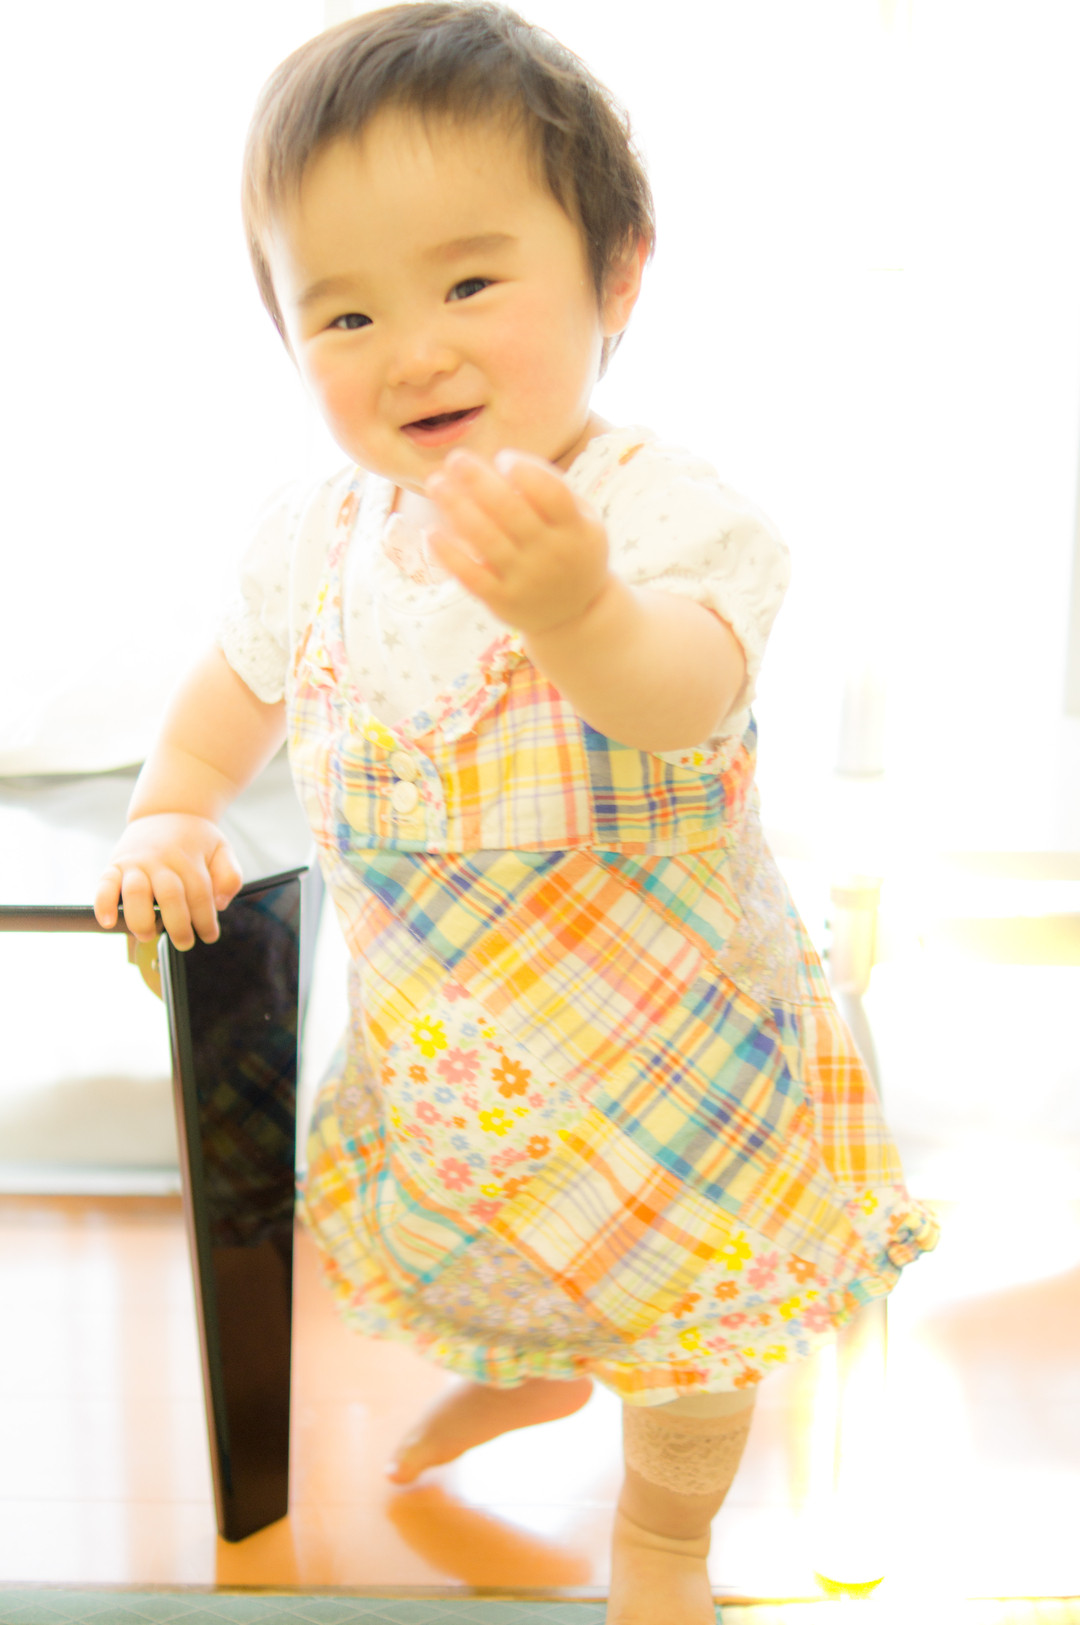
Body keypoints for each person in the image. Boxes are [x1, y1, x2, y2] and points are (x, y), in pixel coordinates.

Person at [94, 4, 938, 1617]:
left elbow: (681, 692)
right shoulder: (318, 536)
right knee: (489, 1250)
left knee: (688, 1324)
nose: (413, 349)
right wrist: (171, 808)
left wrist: (580, 611)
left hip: (675, 1052)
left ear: (616, 275)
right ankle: (539, 1373)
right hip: (457, 1060)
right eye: (344, 311)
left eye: (471, 284)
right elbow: (225, 699)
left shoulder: (662, 513)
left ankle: (666, 1534)